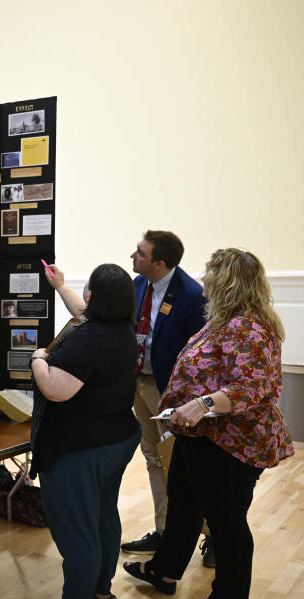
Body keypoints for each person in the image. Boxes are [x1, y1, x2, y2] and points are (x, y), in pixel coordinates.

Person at [123, 248, 293, 599]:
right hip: (201, 437)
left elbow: (253, 386)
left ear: (228, 281)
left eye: (210, 274)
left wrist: (200, 405)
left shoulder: (247, 328)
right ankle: (164, 570)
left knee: (227, 522)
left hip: (230, 441)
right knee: (183, 501)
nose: (204, 281)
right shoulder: (224, 322)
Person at [28, 263, 141, 599]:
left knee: (76, 524)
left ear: (95, 297)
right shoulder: (121, 328)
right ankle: (100, 589)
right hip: (116, 438)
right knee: (101, 516)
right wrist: (60, 287)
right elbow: (82, 311)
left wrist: (38, 360)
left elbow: (55, 390)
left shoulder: (88, 340)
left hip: (81, 447)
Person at [121, 230, 209, 561]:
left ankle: (210, 535)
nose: (133, 257)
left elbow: (198, 355)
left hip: (173, 392)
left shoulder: (191, 295)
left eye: (140, 253)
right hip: (140, 385)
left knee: (184, 464)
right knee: (155, 459)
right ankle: (163, 531)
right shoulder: (137, 286)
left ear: (159, 263)